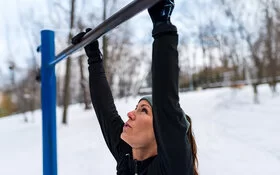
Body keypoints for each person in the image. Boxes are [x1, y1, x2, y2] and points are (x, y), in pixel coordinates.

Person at [72, 0, 198, 174]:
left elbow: (166, 104)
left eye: (143, 111)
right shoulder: (126, 156)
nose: (130, 114)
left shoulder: (173, 167)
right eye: (137, 109)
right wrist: (94, 58)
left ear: (162, 131)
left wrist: (162, 26)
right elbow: (105, 110)